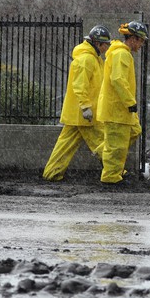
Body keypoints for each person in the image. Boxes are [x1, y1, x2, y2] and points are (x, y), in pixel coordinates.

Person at [42, 25, 112, 181]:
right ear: (97, 43)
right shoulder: (87, 59)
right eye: (105, 44)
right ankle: (115, 172)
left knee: (64, 147)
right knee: (103, 142)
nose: (107, 48)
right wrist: (86, 106)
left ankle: (51, 173)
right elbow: (80, 86)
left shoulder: (93, 58)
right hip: (86, 114)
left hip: (77, 113)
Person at [96, 20, 148, 185]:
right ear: (132, 39)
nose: (141, 44)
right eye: (141, 40)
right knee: (116, 146)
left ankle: (102, 151)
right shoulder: (122, 54)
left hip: (120, 109)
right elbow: (118, 79)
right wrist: (130, 102)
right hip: (117, 108)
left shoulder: (121, 53)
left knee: (134, 131)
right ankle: (110, 178)